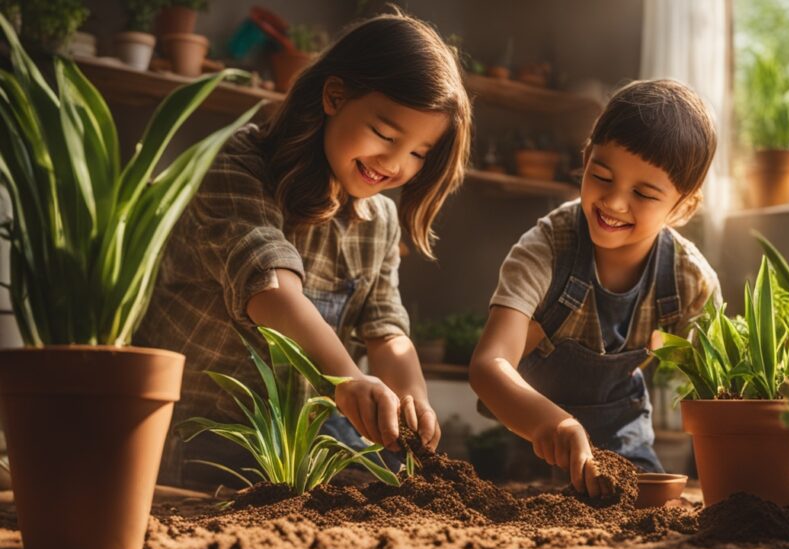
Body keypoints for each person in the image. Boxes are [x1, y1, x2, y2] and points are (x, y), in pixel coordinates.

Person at [136, 11, 472, 488]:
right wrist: (346, 379)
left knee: (393, 484)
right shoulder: (240, 165)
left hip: (306, 436)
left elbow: (386, 328)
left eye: (419, 152)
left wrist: (412, 394)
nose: (395, 164)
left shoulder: (379, 221)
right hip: (203, 430)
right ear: (334, 96)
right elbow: (271, 288)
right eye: (385, 134)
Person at [469, 79, 721, 497]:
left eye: (643, 193)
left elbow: (719, 393)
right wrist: (554, 424)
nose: (615, 202)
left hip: (623, 446)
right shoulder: (546, 249)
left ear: (683, 207)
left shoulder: (690, 280)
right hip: (530, 439)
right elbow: (488, 366)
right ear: (585, 159)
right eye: (601, 176)